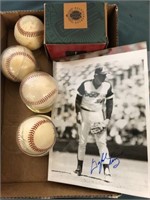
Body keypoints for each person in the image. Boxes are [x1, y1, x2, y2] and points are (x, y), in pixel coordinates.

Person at [74, 65, 114, 182]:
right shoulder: (85, 84)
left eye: (105, 76)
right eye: (102, 75)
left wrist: (107, 119)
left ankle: (107, 170)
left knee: (102, 143)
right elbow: (77, 99)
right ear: (95, 76)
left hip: (98, 114)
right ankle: (79, 168)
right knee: (82, 142)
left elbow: (110, 102)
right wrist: (78, 113)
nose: (104, 78)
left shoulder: (107, 86)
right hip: (84, 112)